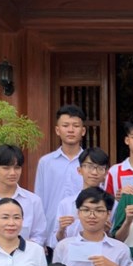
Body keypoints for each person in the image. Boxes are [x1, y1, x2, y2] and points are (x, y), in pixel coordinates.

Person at [34, 105, 87, 246]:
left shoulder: (91, 163)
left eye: (76, 126)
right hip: (52, 232)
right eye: (65, 125)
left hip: (85, 231)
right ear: (57, 130)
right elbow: (39, 200)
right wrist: (41, 238)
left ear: (83, 131)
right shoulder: (46, 162)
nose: (71, 130)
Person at [55, 147, 112, 246]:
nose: (94, 172)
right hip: (72, 252)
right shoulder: (66, 204)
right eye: (89, 166)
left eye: (100, 168)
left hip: (102, 253)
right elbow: (57, 241)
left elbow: (115, 241)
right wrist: (61, 229)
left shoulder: (112, 204)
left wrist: (107, 232)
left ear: (106, 173)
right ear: (79, 170)